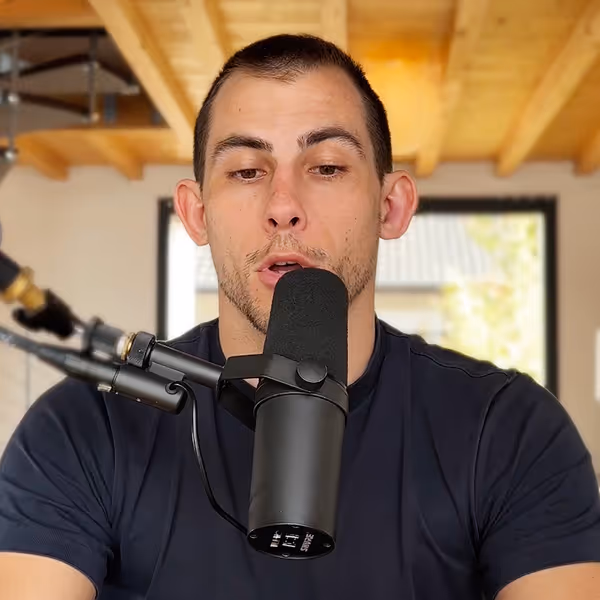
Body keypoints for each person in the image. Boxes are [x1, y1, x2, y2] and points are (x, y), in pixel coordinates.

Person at [0, 33, 599, 600]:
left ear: (390, 206)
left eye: (327, 167)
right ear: (196, 214)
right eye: (246, 171)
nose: (283, 206)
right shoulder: (83, 427)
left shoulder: (509, 429)